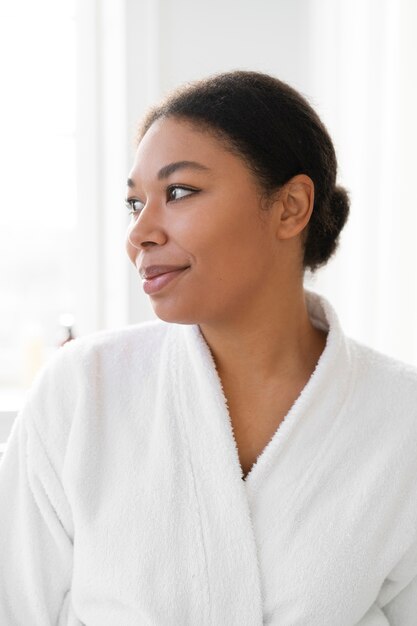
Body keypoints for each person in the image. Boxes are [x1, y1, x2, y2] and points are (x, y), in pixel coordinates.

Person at [0, 70, 416, 625]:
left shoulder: (400, 418)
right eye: (134, 204)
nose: (140, 233)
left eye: (178, 192)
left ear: (291, 206)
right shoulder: (80, 391)